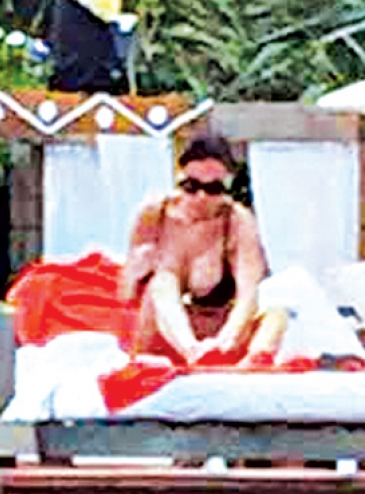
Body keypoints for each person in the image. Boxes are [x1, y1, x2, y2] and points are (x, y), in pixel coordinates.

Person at [119, 134, 288, 367]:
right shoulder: (155, 215)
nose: (201, 198)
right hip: (164, 332)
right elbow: (126, 295)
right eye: (191, 187)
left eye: (213, 189)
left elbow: (249, 295)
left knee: (279, 311)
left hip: (219, 329)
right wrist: (136, 271)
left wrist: (224, 341)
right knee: (163, 281)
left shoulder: (237, 221)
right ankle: (192, 351)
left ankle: (249, 362)